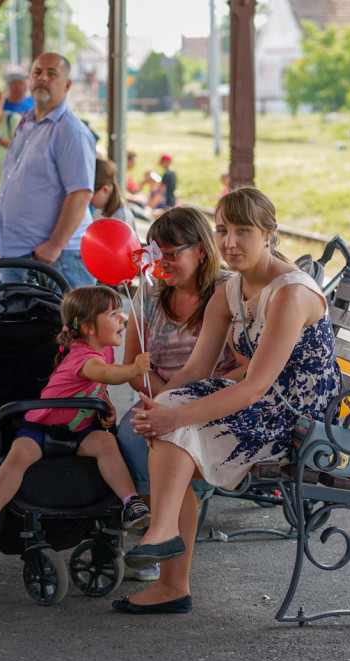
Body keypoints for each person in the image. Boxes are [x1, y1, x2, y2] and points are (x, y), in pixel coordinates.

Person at [112, 188, 341, 615]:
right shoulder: (231, 290)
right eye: (222, 230)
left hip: (295, 419)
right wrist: (161, 407)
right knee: (167, 418)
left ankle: (168, 568)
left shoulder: (291, 293)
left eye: (243, 231)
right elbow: (196, 371)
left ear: (268, 234)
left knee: (175, 430)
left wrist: (175, 415)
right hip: (262, 403)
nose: (229, 242)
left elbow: (254, 387)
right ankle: (165, 545)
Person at [0, 285, 153, 549]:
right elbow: (105, 374)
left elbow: (95, 386)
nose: (122, 318)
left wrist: (105, 404)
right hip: (40, 428)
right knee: (19, 455)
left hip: (79, 431)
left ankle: (130, 501)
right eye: (114, 314)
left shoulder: (104, 351)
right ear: (88, 328)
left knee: (106, 442)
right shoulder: (83, 355)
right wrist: (133, 369)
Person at [115, 207, 240, 581]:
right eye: (155, 254)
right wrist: (159, 401)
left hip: (216, 402)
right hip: (158, 396)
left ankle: (163, 550)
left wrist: (171, 406)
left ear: (201, 250)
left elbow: (246, 369)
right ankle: (161, 540)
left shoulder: (228, 290)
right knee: (132, 435)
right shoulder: (150, 292)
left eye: (171, 254)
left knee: (164, 437)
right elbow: (133, 366)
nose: (161, 264)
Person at [0, 53, 97, 289]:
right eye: (37, 72)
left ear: (67, 85)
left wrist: (55, 244)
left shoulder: (71, 131)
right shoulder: (26, 124)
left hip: (57, 257)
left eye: (52, 74)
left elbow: (80, 193)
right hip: (17, 251)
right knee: (13, 314)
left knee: (67, 315)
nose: (42, 78)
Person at [91, 158, 136, 231]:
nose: (88, 200)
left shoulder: (120, 218)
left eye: (91, 195)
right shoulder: (98, 209)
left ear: (105, 189)